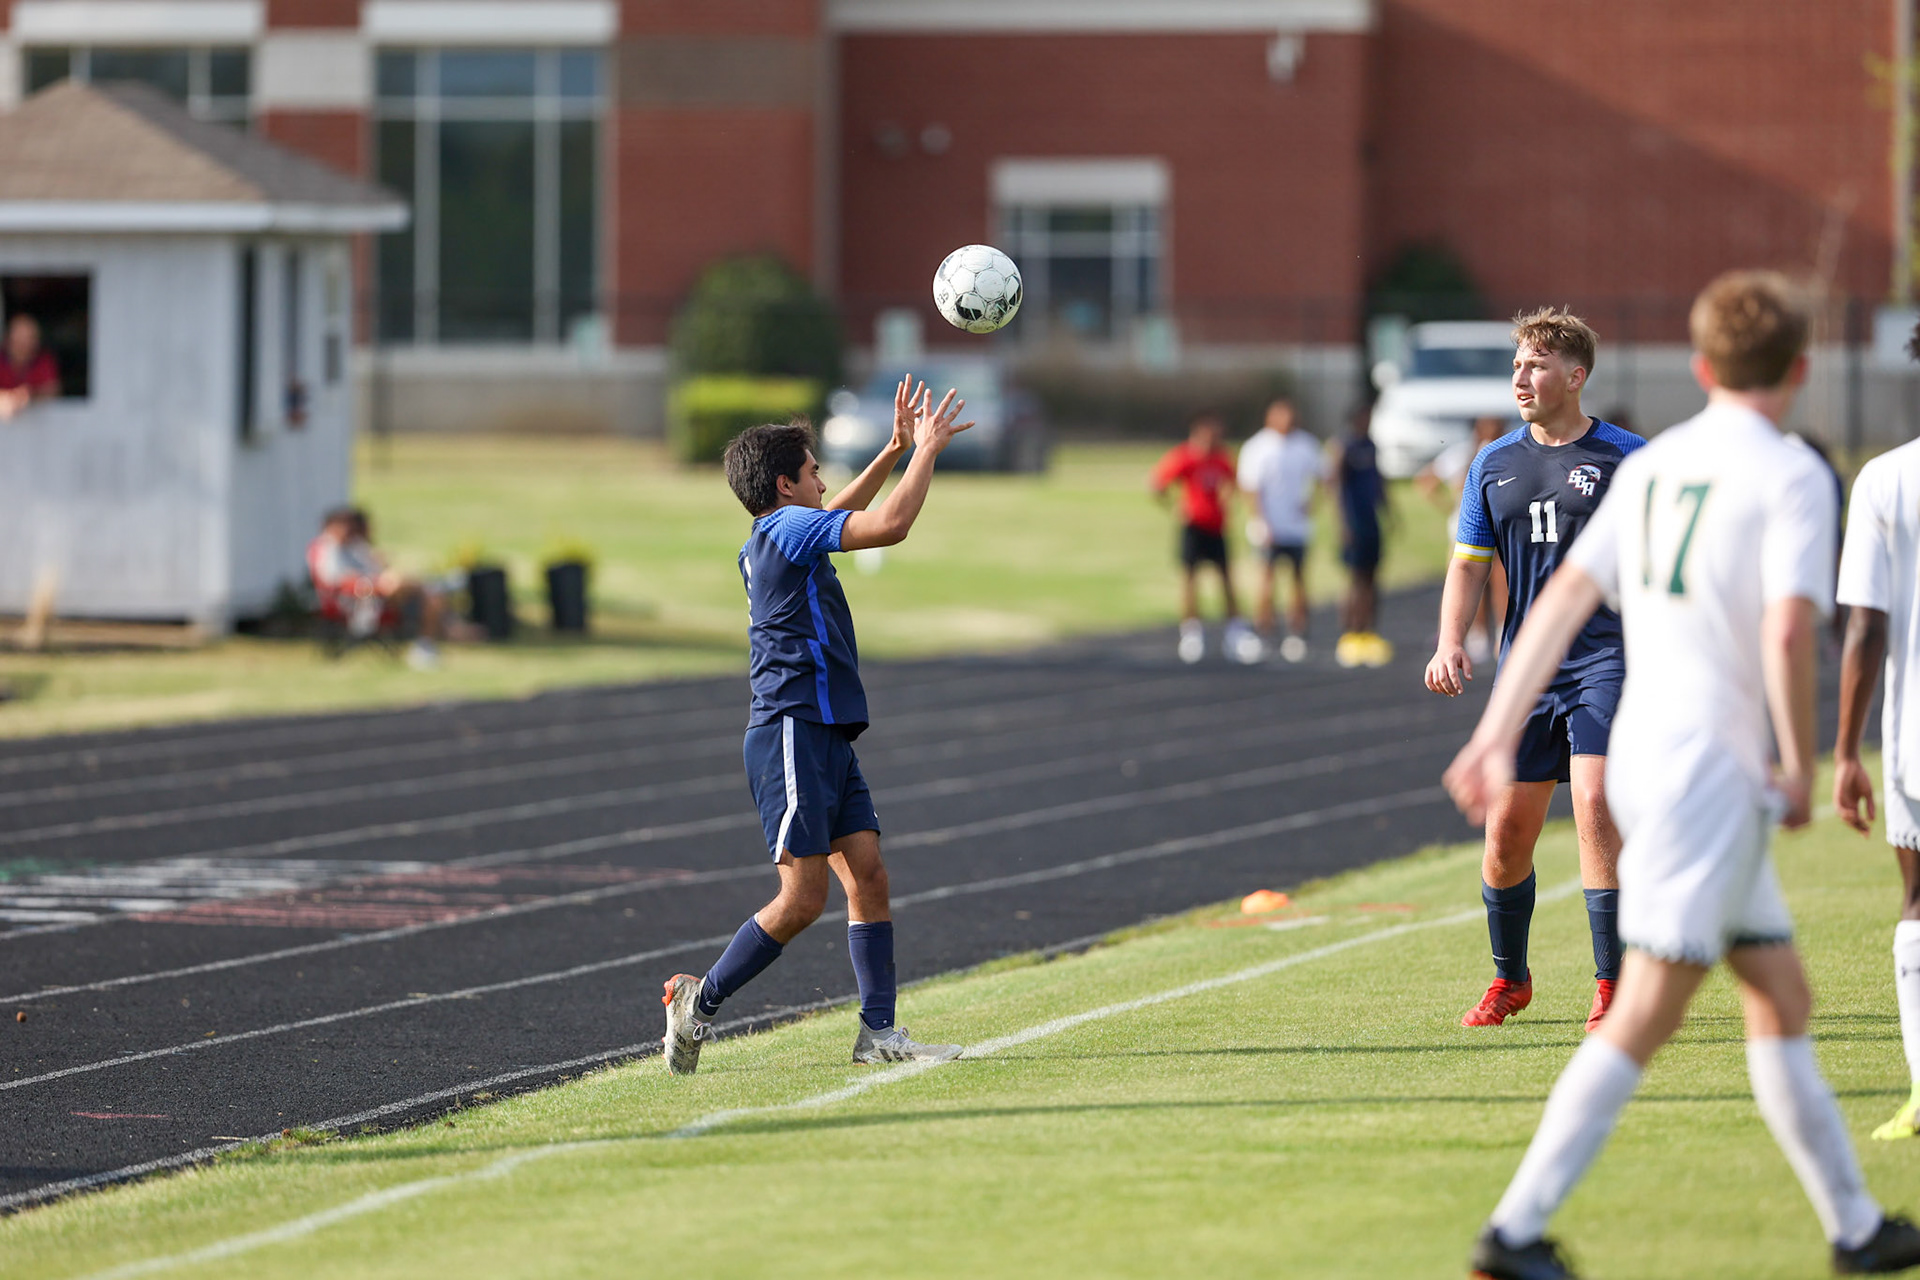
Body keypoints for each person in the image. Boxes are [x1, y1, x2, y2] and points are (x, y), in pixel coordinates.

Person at [1449, 270, 1920, 1280]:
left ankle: (1853, 1225)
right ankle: (1515, 1227)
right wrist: (1802, 760)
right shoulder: (1792, 470)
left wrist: (1493, 733)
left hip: (1659, 758)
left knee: (1781, 995)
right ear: (1797, 370)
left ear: (1702, 367)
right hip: (1711, 771)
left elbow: (1565, 596)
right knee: (1649, 1010)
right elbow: (1793, 625)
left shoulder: (1656, 466)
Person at [661, 377, 972, 1075]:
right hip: (791, 730)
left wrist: (893, 448)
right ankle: (698, 1001)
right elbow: (887, 525)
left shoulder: (781, 529)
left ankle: (878, 1034)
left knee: (869, 874)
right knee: (802, 898)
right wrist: (926, 450)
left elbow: (835, 510)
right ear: (783, 485)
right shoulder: (789, 529)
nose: (822, 481)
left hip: (821, 729)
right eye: (811, 472)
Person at [1426, 310, 1643, 1032]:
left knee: (1593, 802)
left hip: (1606, 660)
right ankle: (1509, 980)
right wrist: (1449, 640)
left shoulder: (1628, 460)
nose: (1522, 377)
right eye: (1518, 364)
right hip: (1528, 671)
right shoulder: (1492, 463)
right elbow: (1467, 567)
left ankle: (1612, 985)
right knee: (1505, 834)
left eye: (1538, 365)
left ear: (1575, 377)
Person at [1833, 322, 1920, 1144]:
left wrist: (1843, 752)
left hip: (1914, 736)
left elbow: (1863, 628)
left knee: (1918, 902)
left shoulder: (1887, 480)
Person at [1151, 411, 1261, 664]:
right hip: (1194, 526)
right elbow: (1157, 483)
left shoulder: (1221, 458)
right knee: (1190, 579)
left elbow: (1235, 482)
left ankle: (1235, 632)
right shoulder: (1185, 457)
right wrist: (1175, 507)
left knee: (1226, 580)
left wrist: (1228, 499)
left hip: (1217, 526)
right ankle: (1191, 633)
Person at [306, 507, 452, 670]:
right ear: (332, 526)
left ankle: (425, 642)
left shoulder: (354, 545)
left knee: (427, 592)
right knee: (407, 586)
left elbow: (375, 568)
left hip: (373, 591)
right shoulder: (326, 548)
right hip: (352, 599)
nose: (348, 530)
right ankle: (425, 643)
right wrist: (371, 583)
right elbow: (333, 581)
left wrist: (378, 568)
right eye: (344, 525)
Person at [1418, 415, 1509, 664]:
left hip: (1498, 528)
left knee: (1502, 582)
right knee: (1468, 580)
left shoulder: (1508, 452)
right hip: (1466, 532)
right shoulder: (1463, 454)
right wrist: (1448, 504)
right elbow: (1426, 480)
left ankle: (1502, 632)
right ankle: (1475, 637)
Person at [1237, 395, 1320, 661]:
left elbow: (1325, 476)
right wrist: (1260, 521)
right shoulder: (1258, 447)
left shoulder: (1306, 445)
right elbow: (1249, 488)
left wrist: (1313, 503)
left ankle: (1297, 632)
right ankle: (1264, 631)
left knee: (1298, 580)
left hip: (1297, 527)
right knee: (1266, 580)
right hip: (1269, 527)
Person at [1333, 404, 1392, 668]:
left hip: (1371, 521)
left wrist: (1390, 513)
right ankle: (1350, 631)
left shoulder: (1371, 446)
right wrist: (1343, 524)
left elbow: (1379, 482)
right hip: (1354, 521)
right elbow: (1335, 485)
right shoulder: (1344, 447)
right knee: (1356, 578)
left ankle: (1369, 631)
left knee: (1372, 577)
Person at [0, 314, 59, 418]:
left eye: (30, 338)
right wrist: (6, 398)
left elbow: (52, 390)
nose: (25, 344)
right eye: (20, 338)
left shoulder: (43, 360)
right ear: (8, 339)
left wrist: (28, 395)